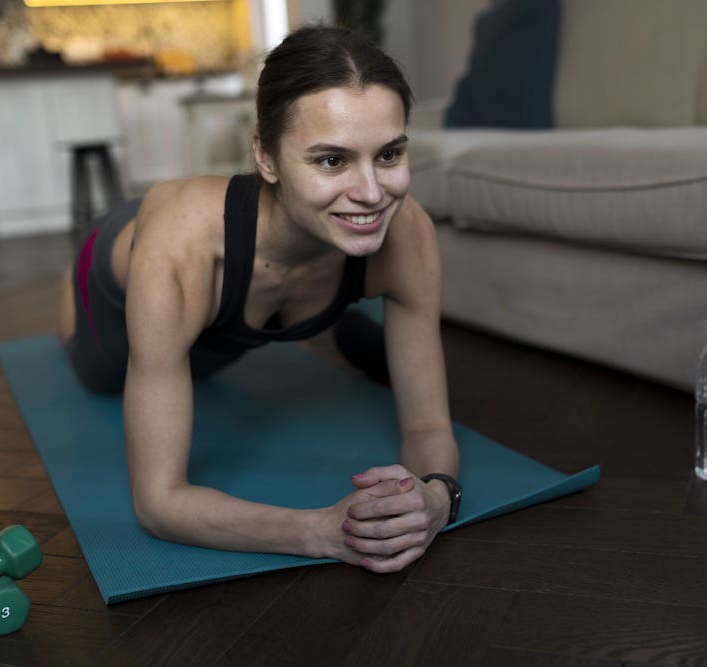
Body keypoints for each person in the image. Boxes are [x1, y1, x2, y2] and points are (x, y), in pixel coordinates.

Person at [58, 25, 460, 574]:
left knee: (210, 352)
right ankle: (70, 283)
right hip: (120, 271)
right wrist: (321, 531)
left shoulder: (407, 232)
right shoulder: (182, 251)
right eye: (331, 161)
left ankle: (336, 323)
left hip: (233, 297)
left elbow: (428, 428)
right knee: (102, 373)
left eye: (388, 154)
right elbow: (159, 503)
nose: (372, 193)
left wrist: (436, 501)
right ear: (266, 158)